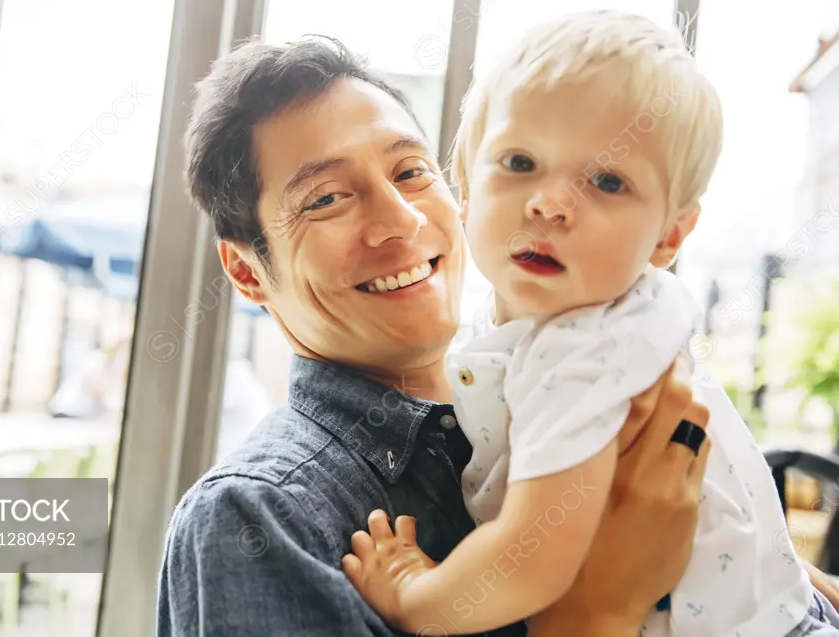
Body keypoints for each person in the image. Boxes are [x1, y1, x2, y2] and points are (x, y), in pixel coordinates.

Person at [155, 35, 839, 636]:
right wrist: (596, 613)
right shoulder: (262, 516)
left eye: (409, 172)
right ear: (246, 270)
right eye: (327, 198)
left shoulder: (536, 385)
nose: (400, 220)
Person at [339, 10, 823, 637]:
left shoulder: (580, 351)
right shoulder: (598, 317)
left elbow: (532, 563)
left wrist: (413, 595)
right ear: (465, 181)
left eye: (607, 180)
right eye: (519, 163)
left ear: (670, 234)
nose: (549, 203)